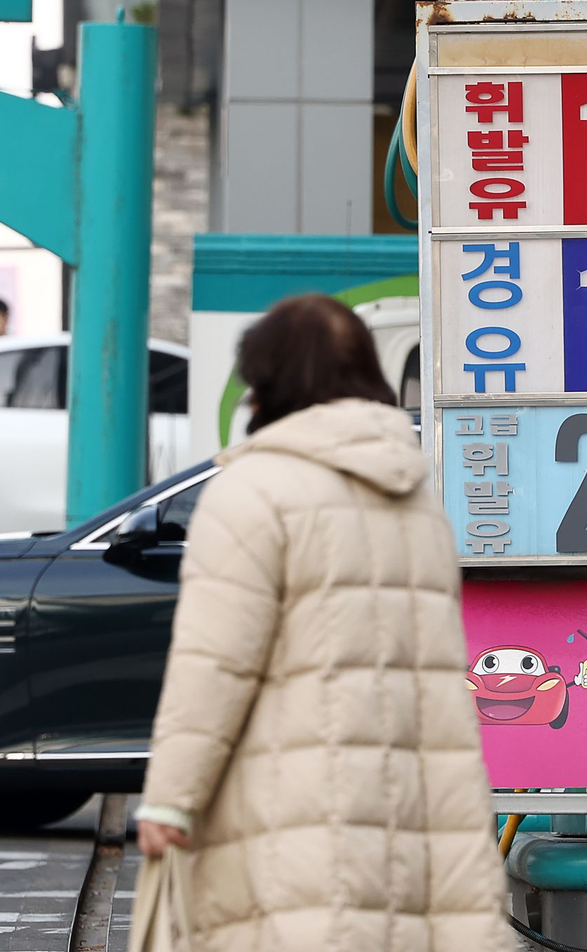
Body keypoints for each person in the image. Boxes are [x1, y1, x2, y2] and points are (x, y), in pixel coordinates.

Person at [132, 294, 511, 952]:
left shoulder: (253, 491)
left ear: (268, 382)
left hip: (294, 807)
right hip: (412, 812)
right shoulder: (416, 494)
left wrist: (170, 799)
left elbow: (215, 663)